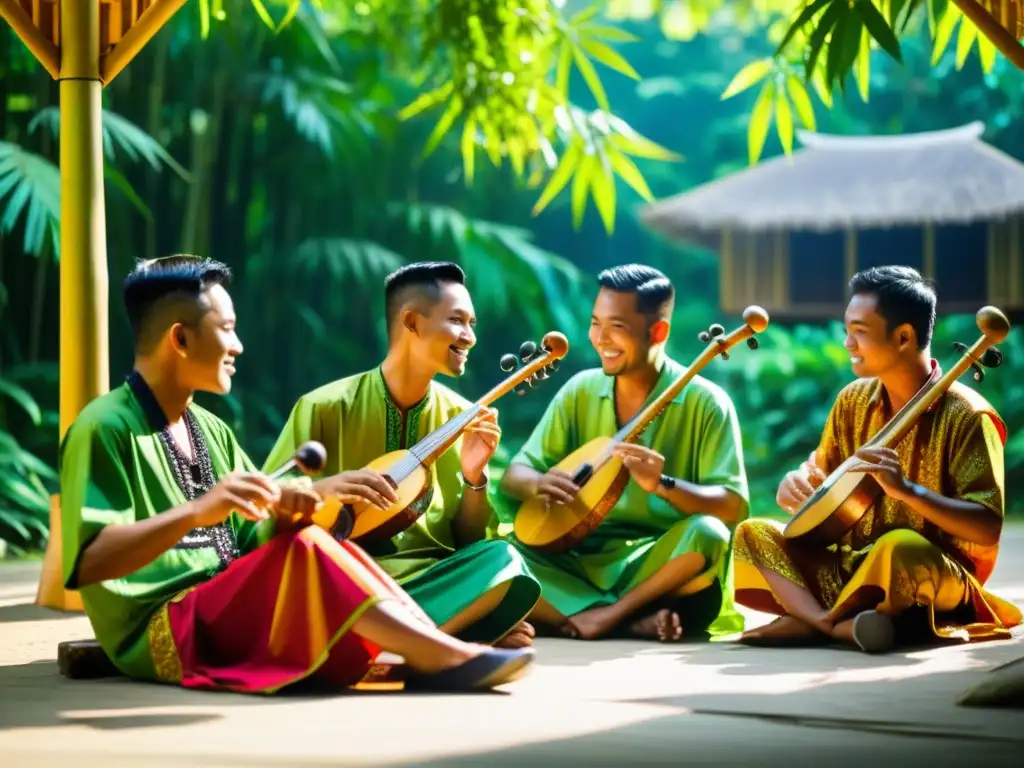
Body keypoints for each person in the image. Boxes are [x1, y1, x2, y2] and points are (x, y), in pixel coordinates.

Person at [59, 255, 534, 694]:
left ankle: (425, 645)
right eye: (227, 329)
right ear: (180, 339)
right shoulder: (103, 427)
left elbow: (255, 538)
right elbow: (89, 561)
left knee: (314, 541)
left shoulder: (212, 429)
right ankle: (438, 653)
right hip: (161, 624)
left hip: (225, 600)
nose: (239, 346)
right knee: (313, 550)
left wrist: (302, 505)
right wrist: (200, 511)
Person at [733, 265, 1022, 652]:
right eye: (848, 331)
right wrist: (797, 481)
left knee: (897, 545)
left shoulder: (969, 415)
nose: (848, 343)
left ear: (904, 337)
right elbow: (821, 473)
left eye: (859, 332)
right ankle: (831, 624)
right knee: (752, 533)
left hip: (928, 573)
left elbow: (986, 528)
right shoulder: (852, 400)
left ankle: (808, 621)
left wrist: (908, 491)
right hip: (851, 567)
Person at [264, 261, 540, 649]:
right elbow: (266, 513)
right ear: (411, 322)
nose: (470, 337)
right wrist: (327, 489)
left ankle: (398, 643)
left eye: (472, 324)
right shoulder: (323, 406)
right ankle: (447, 636)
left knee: (503, 560)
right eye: (458, 321)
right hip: (345, 577)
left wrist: (475, 477)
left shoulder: (462, 418)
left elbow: (469, 541)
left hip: (431, 582)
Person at [496, 264, 749, 642]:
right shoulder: (580, 390)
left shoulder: (708, 403)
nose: (601, 339)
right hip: (572, 559)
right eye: (596, 323)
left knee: (708, 535)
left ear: (658, 331)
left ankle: (601, 614)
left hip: (654, 564)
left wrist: (662, 484)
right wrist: (540, 483)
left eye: (617, 327)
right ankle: (627, 621)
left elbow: (732, 507)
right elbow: (515, 476)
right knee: (495, 553)